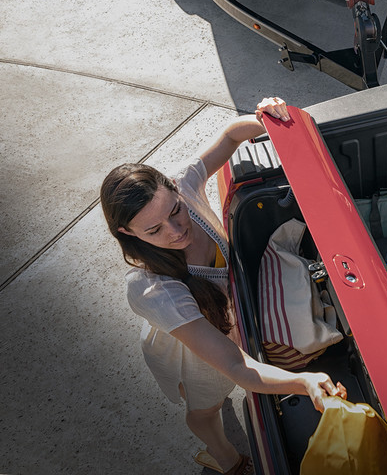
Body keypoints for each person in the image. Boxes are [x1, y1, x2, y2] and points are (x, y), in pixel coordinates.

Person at [101, 97, 347, 475]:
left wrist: (266, 117)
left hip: (227, 321)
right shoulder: (153, 290)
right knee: (206, 407)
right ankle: (226, 459)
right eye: (154, 230)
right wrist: (303, 381)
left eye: (175, 211)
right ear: (126, 232)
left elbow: (231, 136)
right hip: (193, 345)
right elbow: (234, 364)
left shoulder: (184, 186)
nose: (177, 229)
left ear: (175, 191)